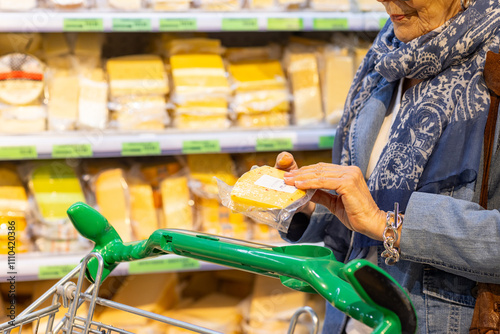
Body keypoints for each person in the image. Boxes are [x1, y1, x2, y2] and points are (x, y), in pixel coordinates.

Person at [275, 0, 500, 333]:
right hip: (352, 318)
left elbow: (377, 216)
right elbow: (365, 202)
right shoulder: (388, 54)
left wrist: (388, 225)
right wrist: (312, 203)